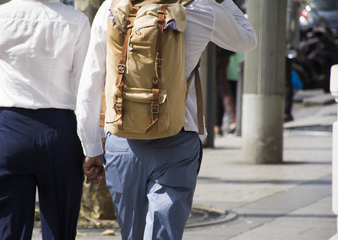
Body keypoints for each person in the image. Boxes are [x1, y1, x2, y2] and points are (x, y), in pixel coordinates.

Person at [76, 0, 256, 239]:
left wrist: (91, 146)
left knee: (131, 233)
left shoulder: (112, 7)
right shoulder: (202, 8)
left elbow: (91, 79)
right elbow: (247, 39)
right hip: (177, 138)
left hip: (122, 141)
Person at [0, 0, 90, 239]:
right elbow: (85, 89)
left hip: (10, 126)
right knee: (61, 227)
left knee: (4, 227)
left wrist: (3, 120)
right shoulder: (76, 20)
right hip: (60, 131)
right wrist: (93, 146)